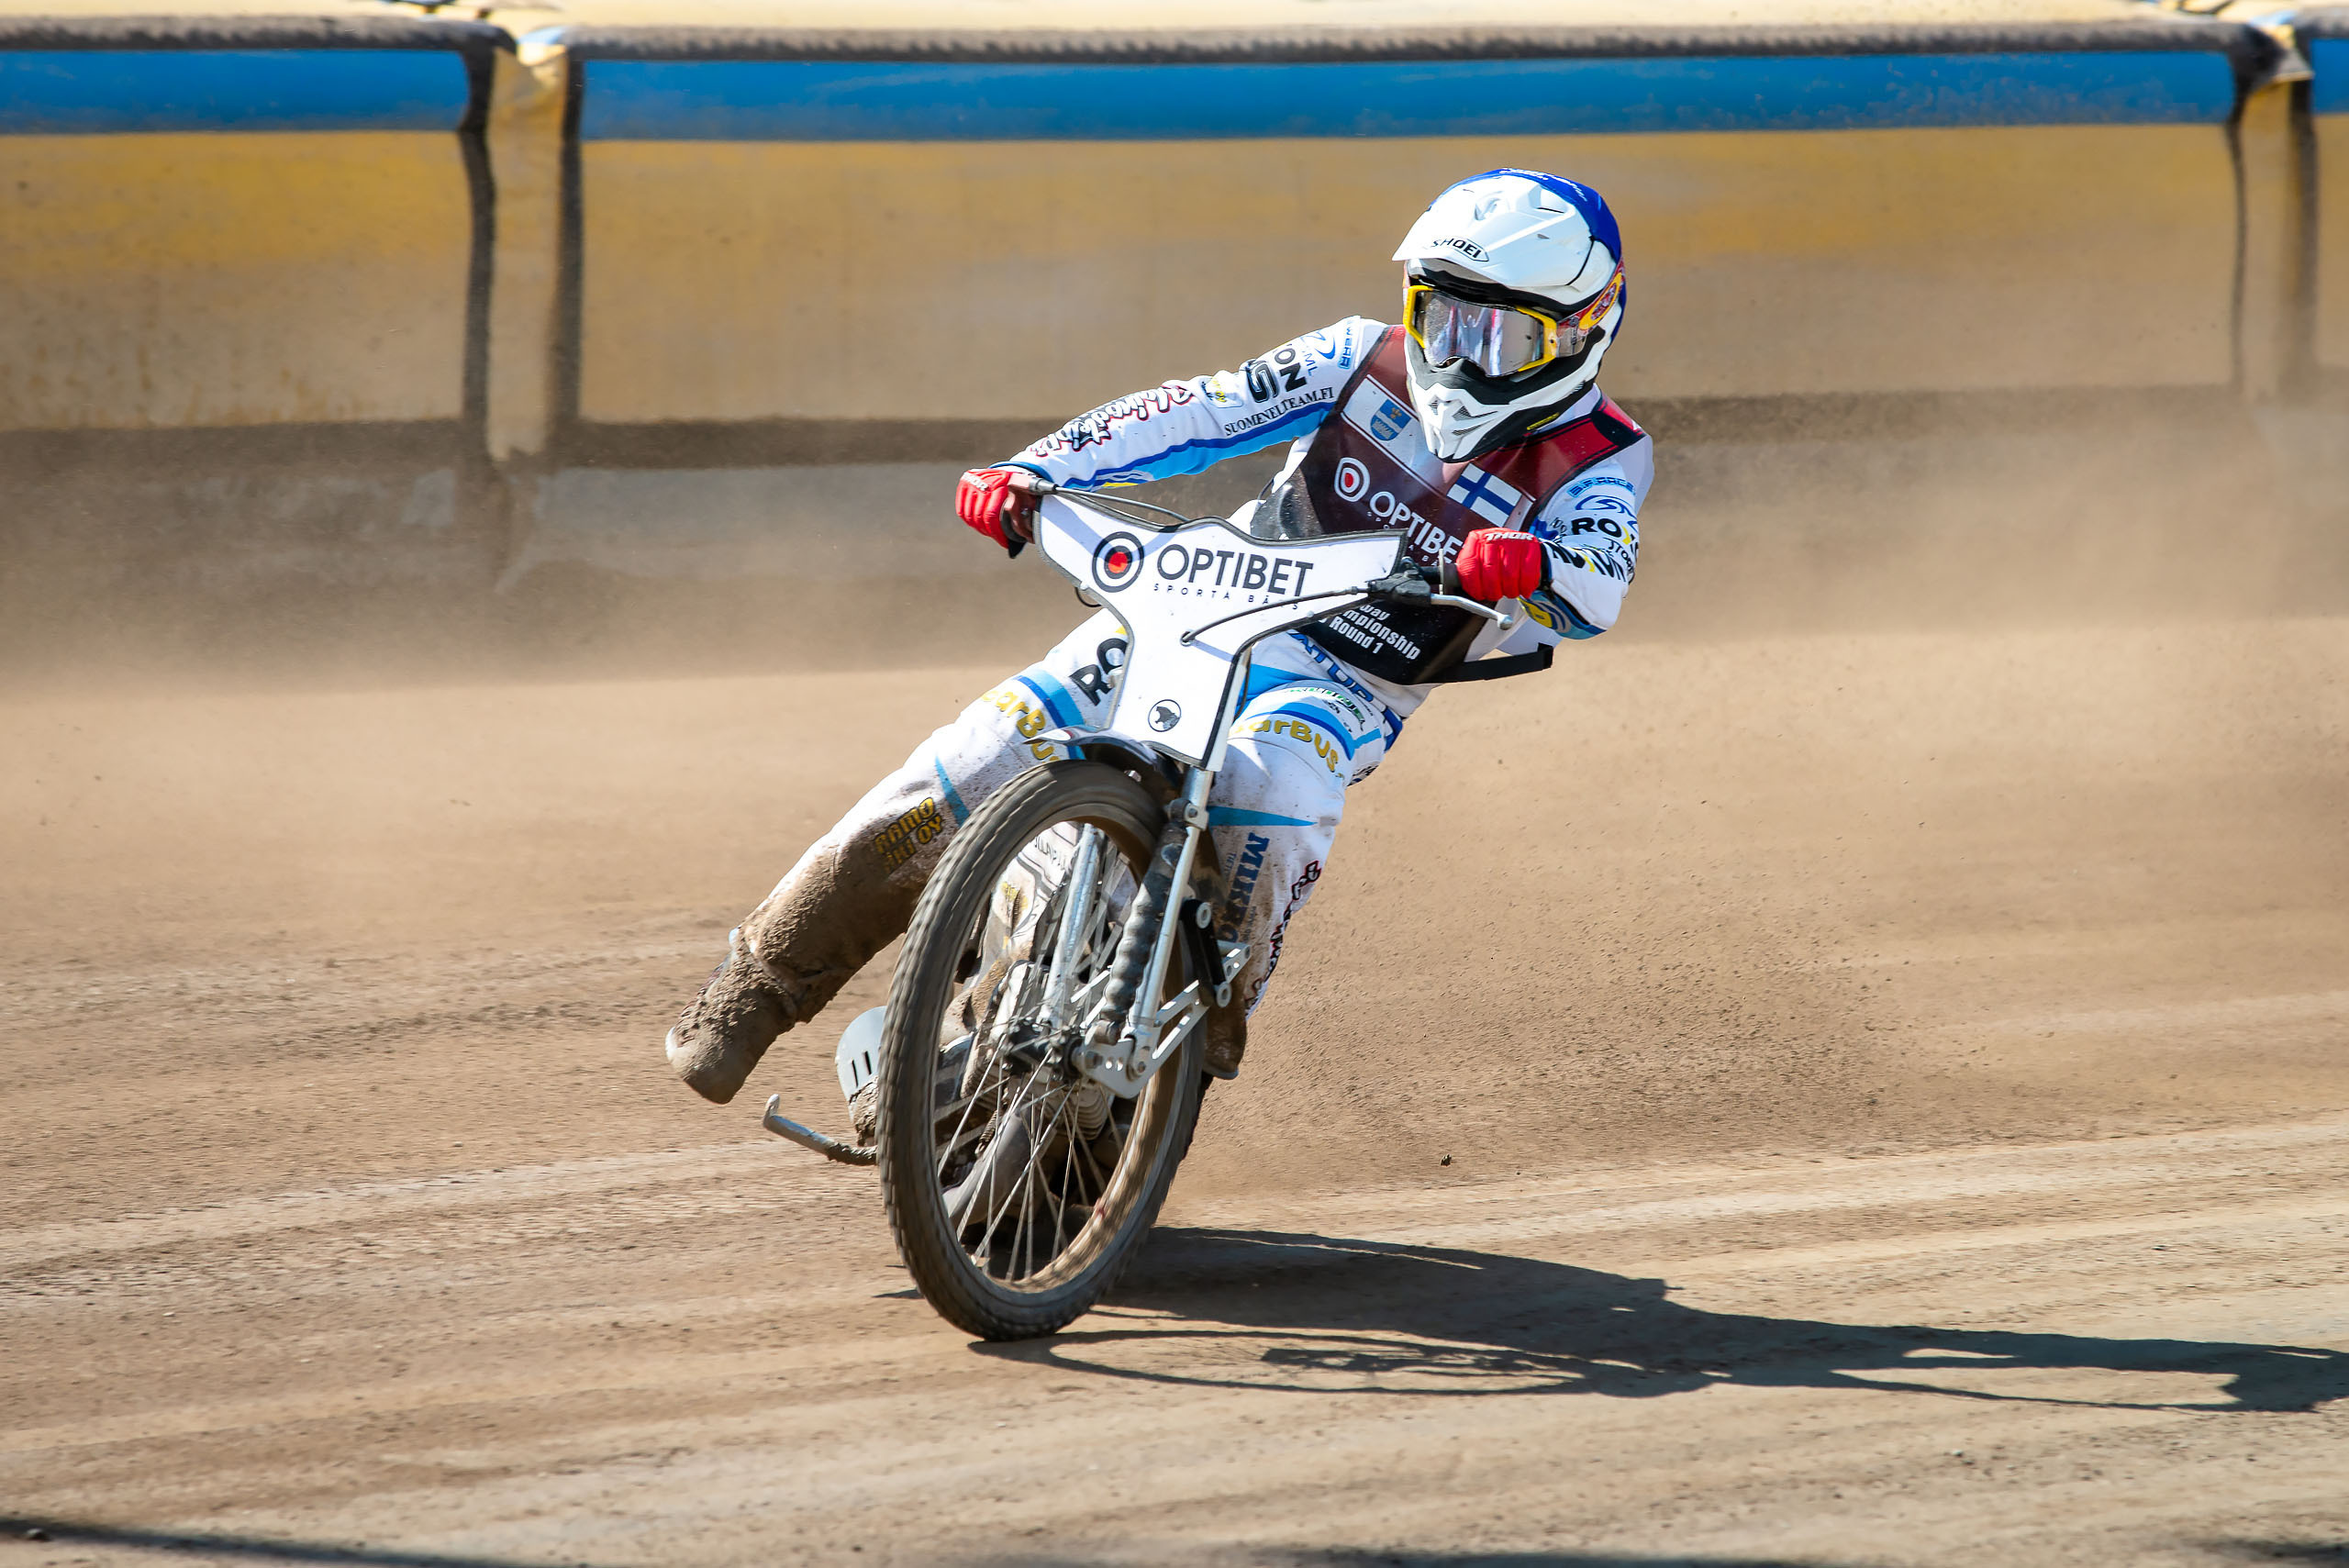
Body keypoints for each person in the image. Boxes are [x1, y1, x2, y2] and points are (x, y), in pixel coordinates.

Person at [664, 167, 1653, 1107]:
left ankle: (1201, 1025)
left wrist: (1534, 567)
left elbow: (1599, 583)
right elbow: (1202, 409)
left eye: (1501, 337)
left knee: (1274, 790)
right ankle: (753, 987)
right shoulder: (1358, 354)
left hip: (1347, 685)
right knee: (972, 755)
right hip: (1203, 599)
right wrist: (1035, 468)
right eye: (1443, 317)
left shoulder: (1602, 455)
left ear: (1584, 329)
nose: (1463, 355)